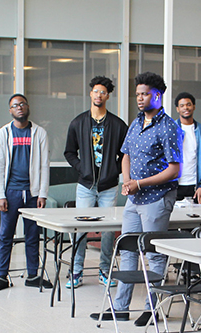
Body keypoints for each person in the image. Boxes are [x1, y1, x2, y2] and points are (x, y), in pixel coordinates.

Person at [90, 72, 182, 327]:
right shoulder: (136, 122)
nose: (140, 99)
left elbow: (174, 170)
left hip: (157, 198)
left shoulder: (168, 127)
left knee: (153, 254)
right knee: (128, 250)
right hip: (134, 199)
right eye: (138, 94)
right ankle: (120, 307)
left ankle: (153, 308)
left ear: (157, 95)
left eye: (145, 94)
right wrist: (127, 181)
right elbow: (126, 154)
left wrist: (139, 183)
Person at [63, 76, 128, 289]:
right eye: (96, 91)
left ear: (108, 96)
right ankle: (76, 271)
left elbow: (126, 154)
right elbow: (70, 152)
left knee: (109, 231)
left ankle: (104, 270)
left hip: (109, 187)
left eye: (103, 92)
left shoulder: (118, 125)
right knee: (81, 229)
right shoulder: (78, 122)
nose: (98, 95)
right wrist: (83, 168)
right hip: (85, 186)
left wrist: (112, 171)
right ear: (90, 93)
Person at [0, 94, 52, 291]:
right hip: (11, 193)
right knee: (5, 235)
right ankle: (2, 276)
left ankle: (33, 275)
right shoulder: (3, 134)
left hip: (32, 193)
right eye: (15, 105)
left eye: (22, 104)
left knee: (33, 235)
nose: (19, 108)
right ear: (10, 110)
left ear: (28, 107)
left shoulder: (39, 133)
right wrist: (0, 195)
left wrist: (42, 193)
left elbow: (44, 165)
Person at [174, 92, 201, 204]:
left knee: (194, 219)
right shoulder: (170, 131)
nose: (185, 108)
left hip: (195, 187)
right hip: (174, 186)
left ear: (194, 107)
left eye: (188, 104)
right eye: (182, 106)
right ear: (177, 109)